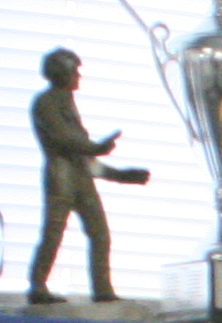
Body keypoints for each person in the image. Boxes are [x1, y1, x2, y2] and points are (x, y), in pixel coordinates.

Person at [28, 51, 146, 307]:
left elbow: (85, 158)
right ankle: (38, 286)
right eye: (74, 72)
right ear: (61, 74)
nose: (78, 76)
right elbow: (65, 139)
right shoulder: (46, 103)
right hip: (61, 176)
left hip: (80, 176)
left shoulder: (66, 102)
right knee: (54, 233)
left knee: (100, 234)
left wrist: (122, 176)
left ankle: (102, 289)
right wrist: (96, 148)